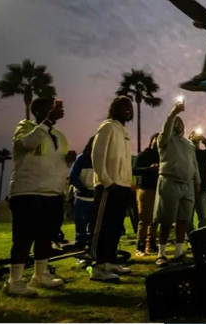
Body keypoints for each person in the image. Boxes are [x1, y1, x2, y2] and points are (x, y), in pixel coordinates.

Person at [4, 97, 70, 296]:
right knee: (24, 237)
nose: (55, 110)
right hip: (28, 191)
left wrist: (67, 160)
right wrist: (48, 121)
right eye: (50, 107)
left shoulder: (58, 135)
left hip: (53, 193)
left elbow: (55, 162)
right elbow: (27, 143)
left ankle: (40, 275)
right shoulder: (25, 127)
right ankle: (14, 281)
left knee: (45, 236)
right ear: (39, 110)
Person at [90, 96, 135, 282]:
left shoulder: (124, 131)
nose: (128, 109)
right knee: (104, 227)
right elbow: (97, 156)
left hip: (122, 186)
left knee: (116, 228)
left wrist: (127, 183)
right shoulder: (107, 126)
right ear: (115, 109)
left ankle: (110, 262)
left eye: (130, 106)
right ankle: (98, 267)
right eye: (124, 106)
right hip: (108, 186)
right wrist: (107, 181)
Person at [154, 101, 201, 267]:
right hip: (170, 181)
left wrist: (197, 181)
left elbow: (194, 163)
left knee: (183, 219)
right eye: (175, 122)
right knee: (166, 220)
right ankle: (161, 254)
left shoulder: (189, 144)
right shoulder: (165, 140)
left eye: (180, 122)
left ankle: (178, 253)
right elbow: (166, 128)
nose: (177, 124)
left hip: (187, 184)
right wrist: (173, 113)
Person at [133, 133, 160, 256]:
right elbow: (134, 170)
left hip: (157, 189)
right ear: (151, 141)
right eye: (156, 139)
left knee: (155, 219)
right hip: (145, 189)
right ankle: (140, 245)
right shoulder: (144, 155)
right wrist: (148, 169)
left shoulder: (162, 155)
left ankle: (152, 244)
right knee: (144, 219)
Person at [69, 136, 96, 250]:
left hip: (94, 197)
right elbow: (73, 177)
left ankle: (91, 246)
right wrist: (83, 188)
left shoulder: (100, 159)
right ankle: (81, 247)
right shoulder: (82, 159)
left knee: (93, 225)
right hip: (82, 197)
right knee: (81, 224)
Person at [189, 130, 206, 230]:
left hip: (203, 188)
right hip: (189, 188)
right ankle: (190, 236)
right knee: (188, 217)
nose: (195, 141)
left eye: (197, 140)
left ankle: (202, 235)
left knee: (203, 216)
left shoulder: (202, 154)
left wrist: (205, 140)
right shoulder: (186, 154)